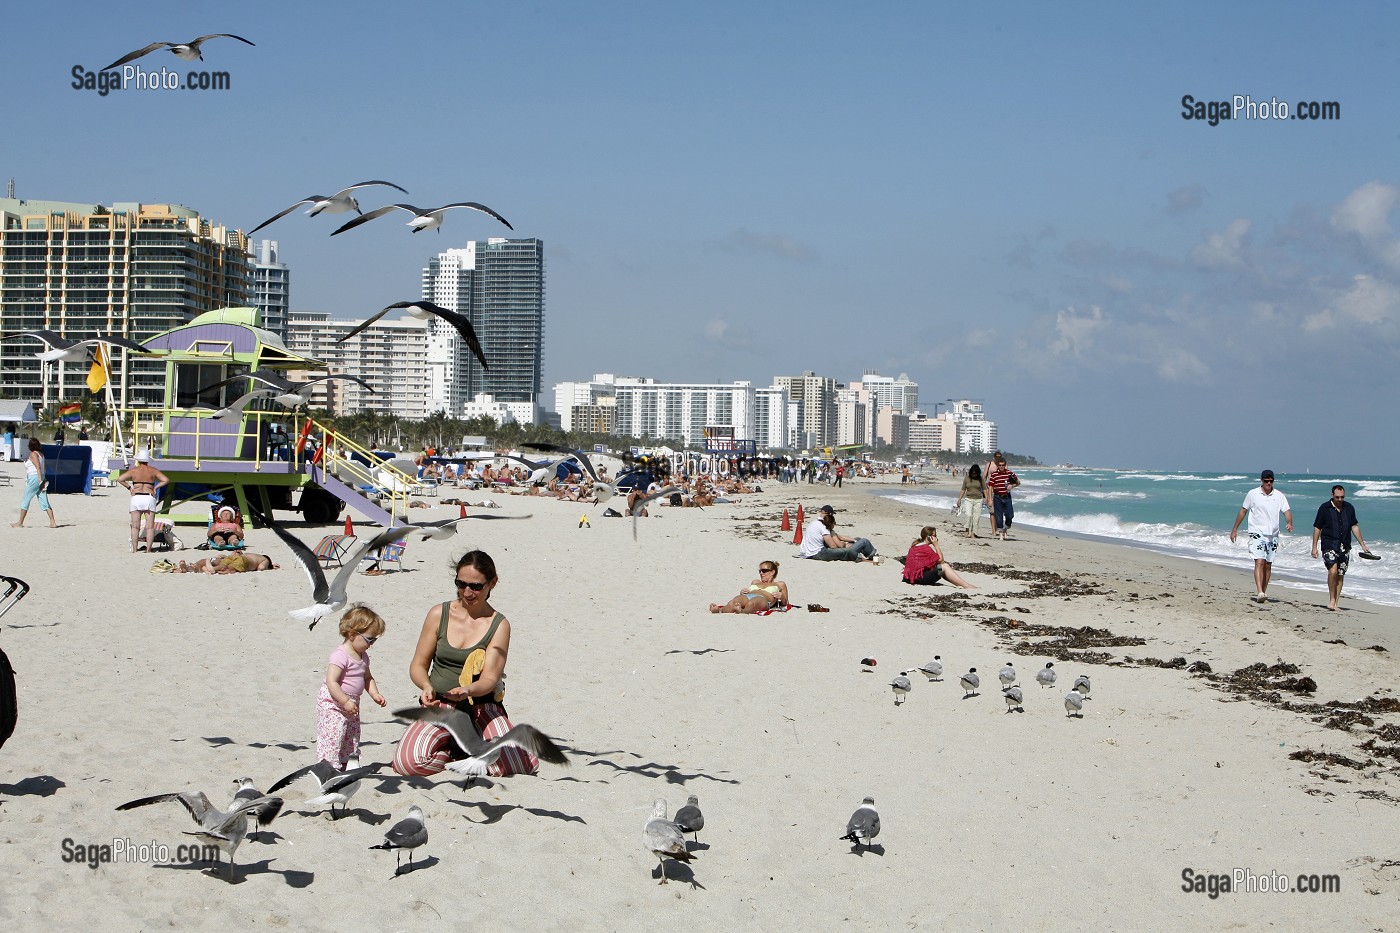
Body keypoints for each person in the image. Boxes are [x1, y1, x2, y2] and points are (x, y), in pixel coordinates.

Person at [391, 550, 539, 779]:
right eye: (461, 584)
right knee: (407, 764)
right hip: (441, 705)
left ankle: (474, 747)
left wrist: (468, 690)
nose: (467, 592)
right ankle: (453, 753)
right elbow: (418, 665)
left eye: (476, 586)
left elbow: (490, 679)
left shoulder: (499, 625)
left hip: (482, 706)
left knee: (512, 764)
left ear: (492, 583)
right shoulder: (438, 614)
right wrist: (426, 685)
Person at [318, 604, 387, 768]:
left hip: (352, 704)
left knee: (351, 735)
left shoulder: (363, 656)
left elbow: (367, 677)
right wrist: (344, 701)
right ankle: (328, 766)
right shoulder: (340, 655)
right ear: (351, 634)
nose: (371, 644)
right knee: (334, 734)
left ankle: (345, 763)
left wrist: (375, 694)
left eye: (375, 640)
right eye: (369, 639)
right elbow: (332, 681)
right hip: (333, 703)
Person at [1229, 470, 1293, 603]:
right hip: (1256, 532)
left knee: (1268, 564)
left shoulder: (1279, 495)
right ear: (1261, 481)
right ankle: (1260, 592)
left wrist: (1289, 523)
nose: (1269, 483)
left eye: (1271, 481)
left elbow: (1286, 511)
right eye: (1266, 481)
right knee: (1259, 561)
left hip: (1273, 534)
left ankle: (1263, 591)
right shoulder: (1253, 494)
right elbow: (1243, 511)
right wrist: (1235, 529)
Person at [1311, 485, 1372, 611]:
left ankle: (1335, 603)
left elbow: (1354, 526)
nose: (1340, 499)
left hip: (1344, 546)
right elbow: (1317, 527)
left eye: (1342, 497)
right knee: (1333, 570)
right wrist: (1314, 547)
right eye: (1337, 497)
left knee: (1340, 574)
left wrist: (1363, 544)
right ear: (1332, 495)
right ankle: (1331, 600)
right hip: (1329, 544)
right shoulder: (1324, 508)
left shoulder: (1349, 508)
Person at [116, 452, 170, 552]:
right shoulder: (153, 470)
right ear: (148, 460)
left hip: (136, 497)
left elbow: (120, 479)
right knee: (150, 527)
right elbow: (166, 480)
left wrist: (129, 488)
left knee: (135, 527)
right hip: (148, 497)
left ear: (138, 460)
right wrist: (156, 487)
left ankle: (135, 549)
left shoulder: (134, 470)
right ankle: (148, 550)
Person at [798, 505, 880, 562]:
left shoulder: (814, 522)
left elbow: (837, 537)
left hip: (809, 552)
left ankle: (870, 555)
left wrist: (853, 540)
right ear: (828, 514)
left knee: (858, 540)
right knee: (864, 541)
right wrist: (845, 545)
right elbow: (833, 546)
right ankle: (873, 556)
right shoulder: (823, 526)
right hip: (818, 553)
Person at [901, 526, 976, 588]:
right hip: (918, 579)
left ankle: (960, 584)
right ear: (929, 537)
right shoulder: (925, 548)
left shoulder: (915, 546)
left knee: (940, 567)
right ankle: (966, 585)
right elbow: (941, 560)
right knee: (944, 566)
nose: (936, 537)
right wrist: (936, 545)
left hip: (909, 578)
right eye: (935, 535)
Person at [710, 561, 791, 613]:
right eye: (760, 571)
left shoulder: (780, 584)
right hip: (748, 596)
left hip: (764, 599)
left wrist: (781, 596)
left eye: (764, 571)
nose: (761, 573)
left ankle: (743, 611)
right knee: (733, 602)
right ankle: (719, 610)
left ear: (772, 572)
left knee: (751, 603)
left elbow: (785, 603)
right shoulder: (755, 582)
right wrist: (742, 592)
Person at [12, 438, 56, 529]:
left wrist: (39, 480)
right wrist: (43, 479)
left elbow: (38, 467)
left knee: (26, 499)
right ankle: (52, 522)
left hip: (34, 478)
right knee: (44, 500)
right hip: (41, 477)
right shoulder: (41, 454)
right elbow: (44, 468)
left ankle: (20, 522)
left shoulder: (33, 454)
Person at [984, 454, 1020, 541]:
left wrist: (1012, 485)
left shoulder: (1010, 474)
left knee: (1010, 515)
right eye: (999, 465)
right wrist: (989, 499)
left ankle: (1006, 528)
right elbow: (991, 487)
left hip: (1007, 497)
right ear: (998, 466)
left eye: (1003, 465)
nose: (1001, 467)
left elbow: (1018, 482)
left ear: (1005, 465)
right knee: (998, 516)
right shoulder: (994, 475)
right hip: (997, 497)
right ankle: (1000, 534)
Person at [954, 464, 985, 538]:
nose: (974, 474)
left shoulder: (981, 479)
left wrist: (987, 499)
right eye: (973, 473)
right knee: (968, 515)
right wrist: (959, 499)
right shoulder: (967, 478)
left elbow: (985, 489)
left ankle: (973, 532)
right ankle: (966, 529)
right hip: (968, 499)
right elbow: (963, 489)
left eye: (975, 473)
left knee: (976, 517)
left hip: (978, 500)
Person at [173, 553, 278, 573]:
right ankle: (212, 569)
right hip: (244, 561)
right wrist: (270, 566)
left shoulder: (251, 553)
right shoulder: (264, 559)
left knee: (217, 561)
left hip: (235, 556)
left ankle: (191, 567)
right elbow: (261, 568)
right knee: (228, 567)